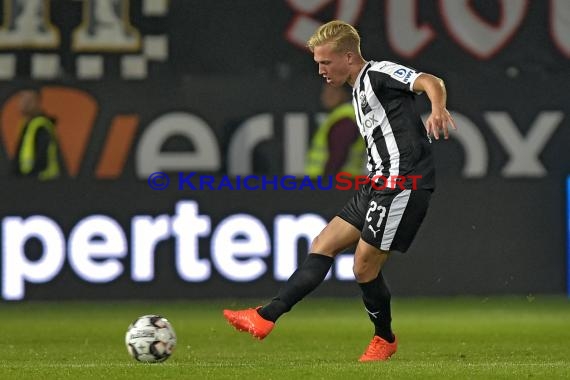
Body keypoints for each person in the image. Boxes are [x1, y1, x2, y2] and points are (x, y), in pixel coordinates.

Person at [223, 20, 456, 362]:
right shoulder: (357, 89)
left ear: (348, 57)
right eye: (317, 63)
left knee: (363, 267)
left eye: (326, 62)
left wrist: (437, 106)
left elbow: (429, 81)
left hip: (402, 183)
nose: (321, 70)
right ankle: (264, 317)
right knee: (323, 244)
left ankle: (384, 339)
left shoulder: (378, 73)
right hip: (377, 183)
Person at [305, 83, 365, 177]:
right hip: (340, 184)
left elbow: (338, 156)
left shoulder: (345, 119)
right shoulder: (340, 116)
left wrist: (327, 182)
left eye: (333, 91)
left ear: (344, 94)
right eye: (325, 91)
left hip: (337, 185)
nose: (327, 95)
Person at [13, 89, 61, 180]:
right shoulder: (26, 125)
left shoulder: (41, 125)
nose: (24, 104)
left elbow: (42, 158)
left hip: (42, 181)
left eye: (29, 101)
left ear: (38, 102)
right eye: (22, 99)